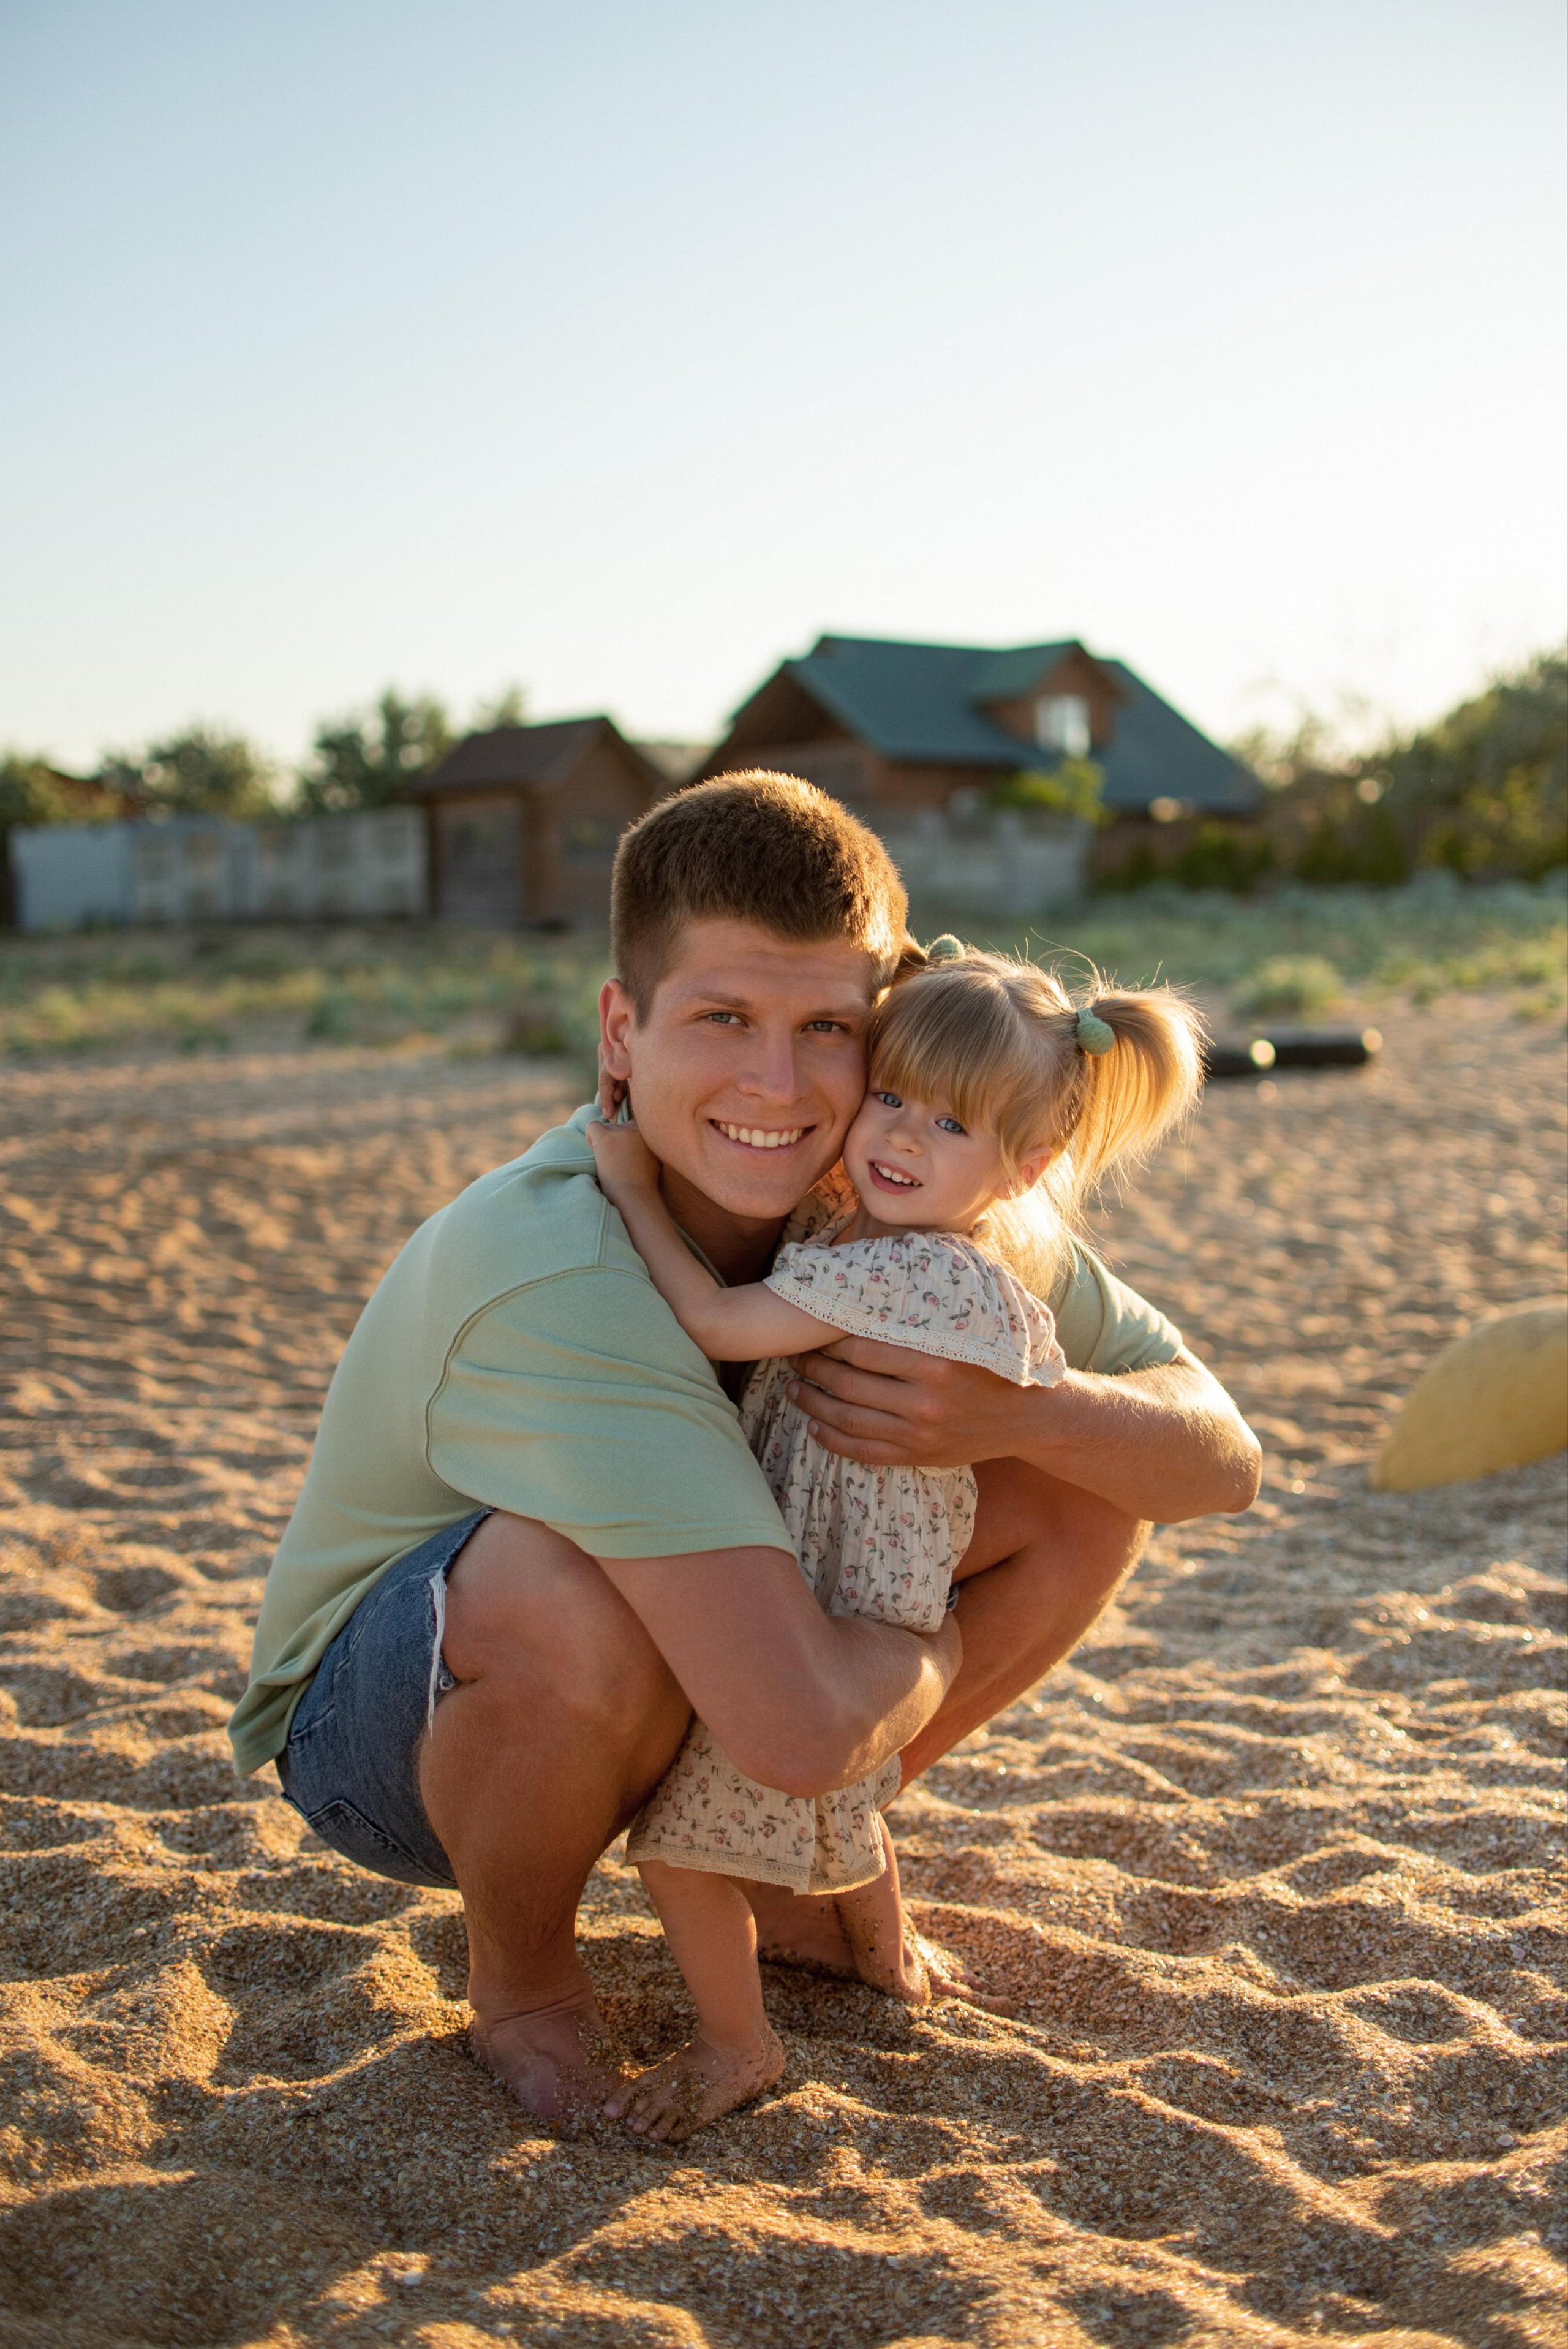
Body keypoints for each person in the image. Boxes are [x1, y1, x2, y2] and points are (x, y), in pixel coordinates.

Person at [227, 771, 1261, 2122]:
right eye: (723, 1018)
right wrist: (916, 1646)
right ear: (620, 1031)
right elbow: (799, 1718)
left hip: (722, 1669)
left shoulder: (896, 1196)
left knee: (1082, 1483)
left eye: (825, 1027)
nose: (776, 1087)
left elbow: (1216, 1459)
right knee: (567, 1585)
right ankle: (525, 1982)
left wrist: (1025, 1414)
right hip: (386, 1744)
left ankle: (781, 1863)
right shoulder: (555, 1268)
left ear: (884, 1031)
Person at [587, 944, 1204, 2139]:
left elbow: (713, 1315)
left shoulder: (918, 1269)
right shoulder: (874, 1225)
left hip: (845, 1593)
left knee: (680, 1852)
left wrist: (626, 1185)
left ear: (1021, 1167)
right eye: (889, 1096)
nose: (900, 1139)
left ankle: (736, 2045)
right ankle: (884, 1955)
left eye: (949, 1125)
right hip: (862, 1575)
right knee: (852, 1783)